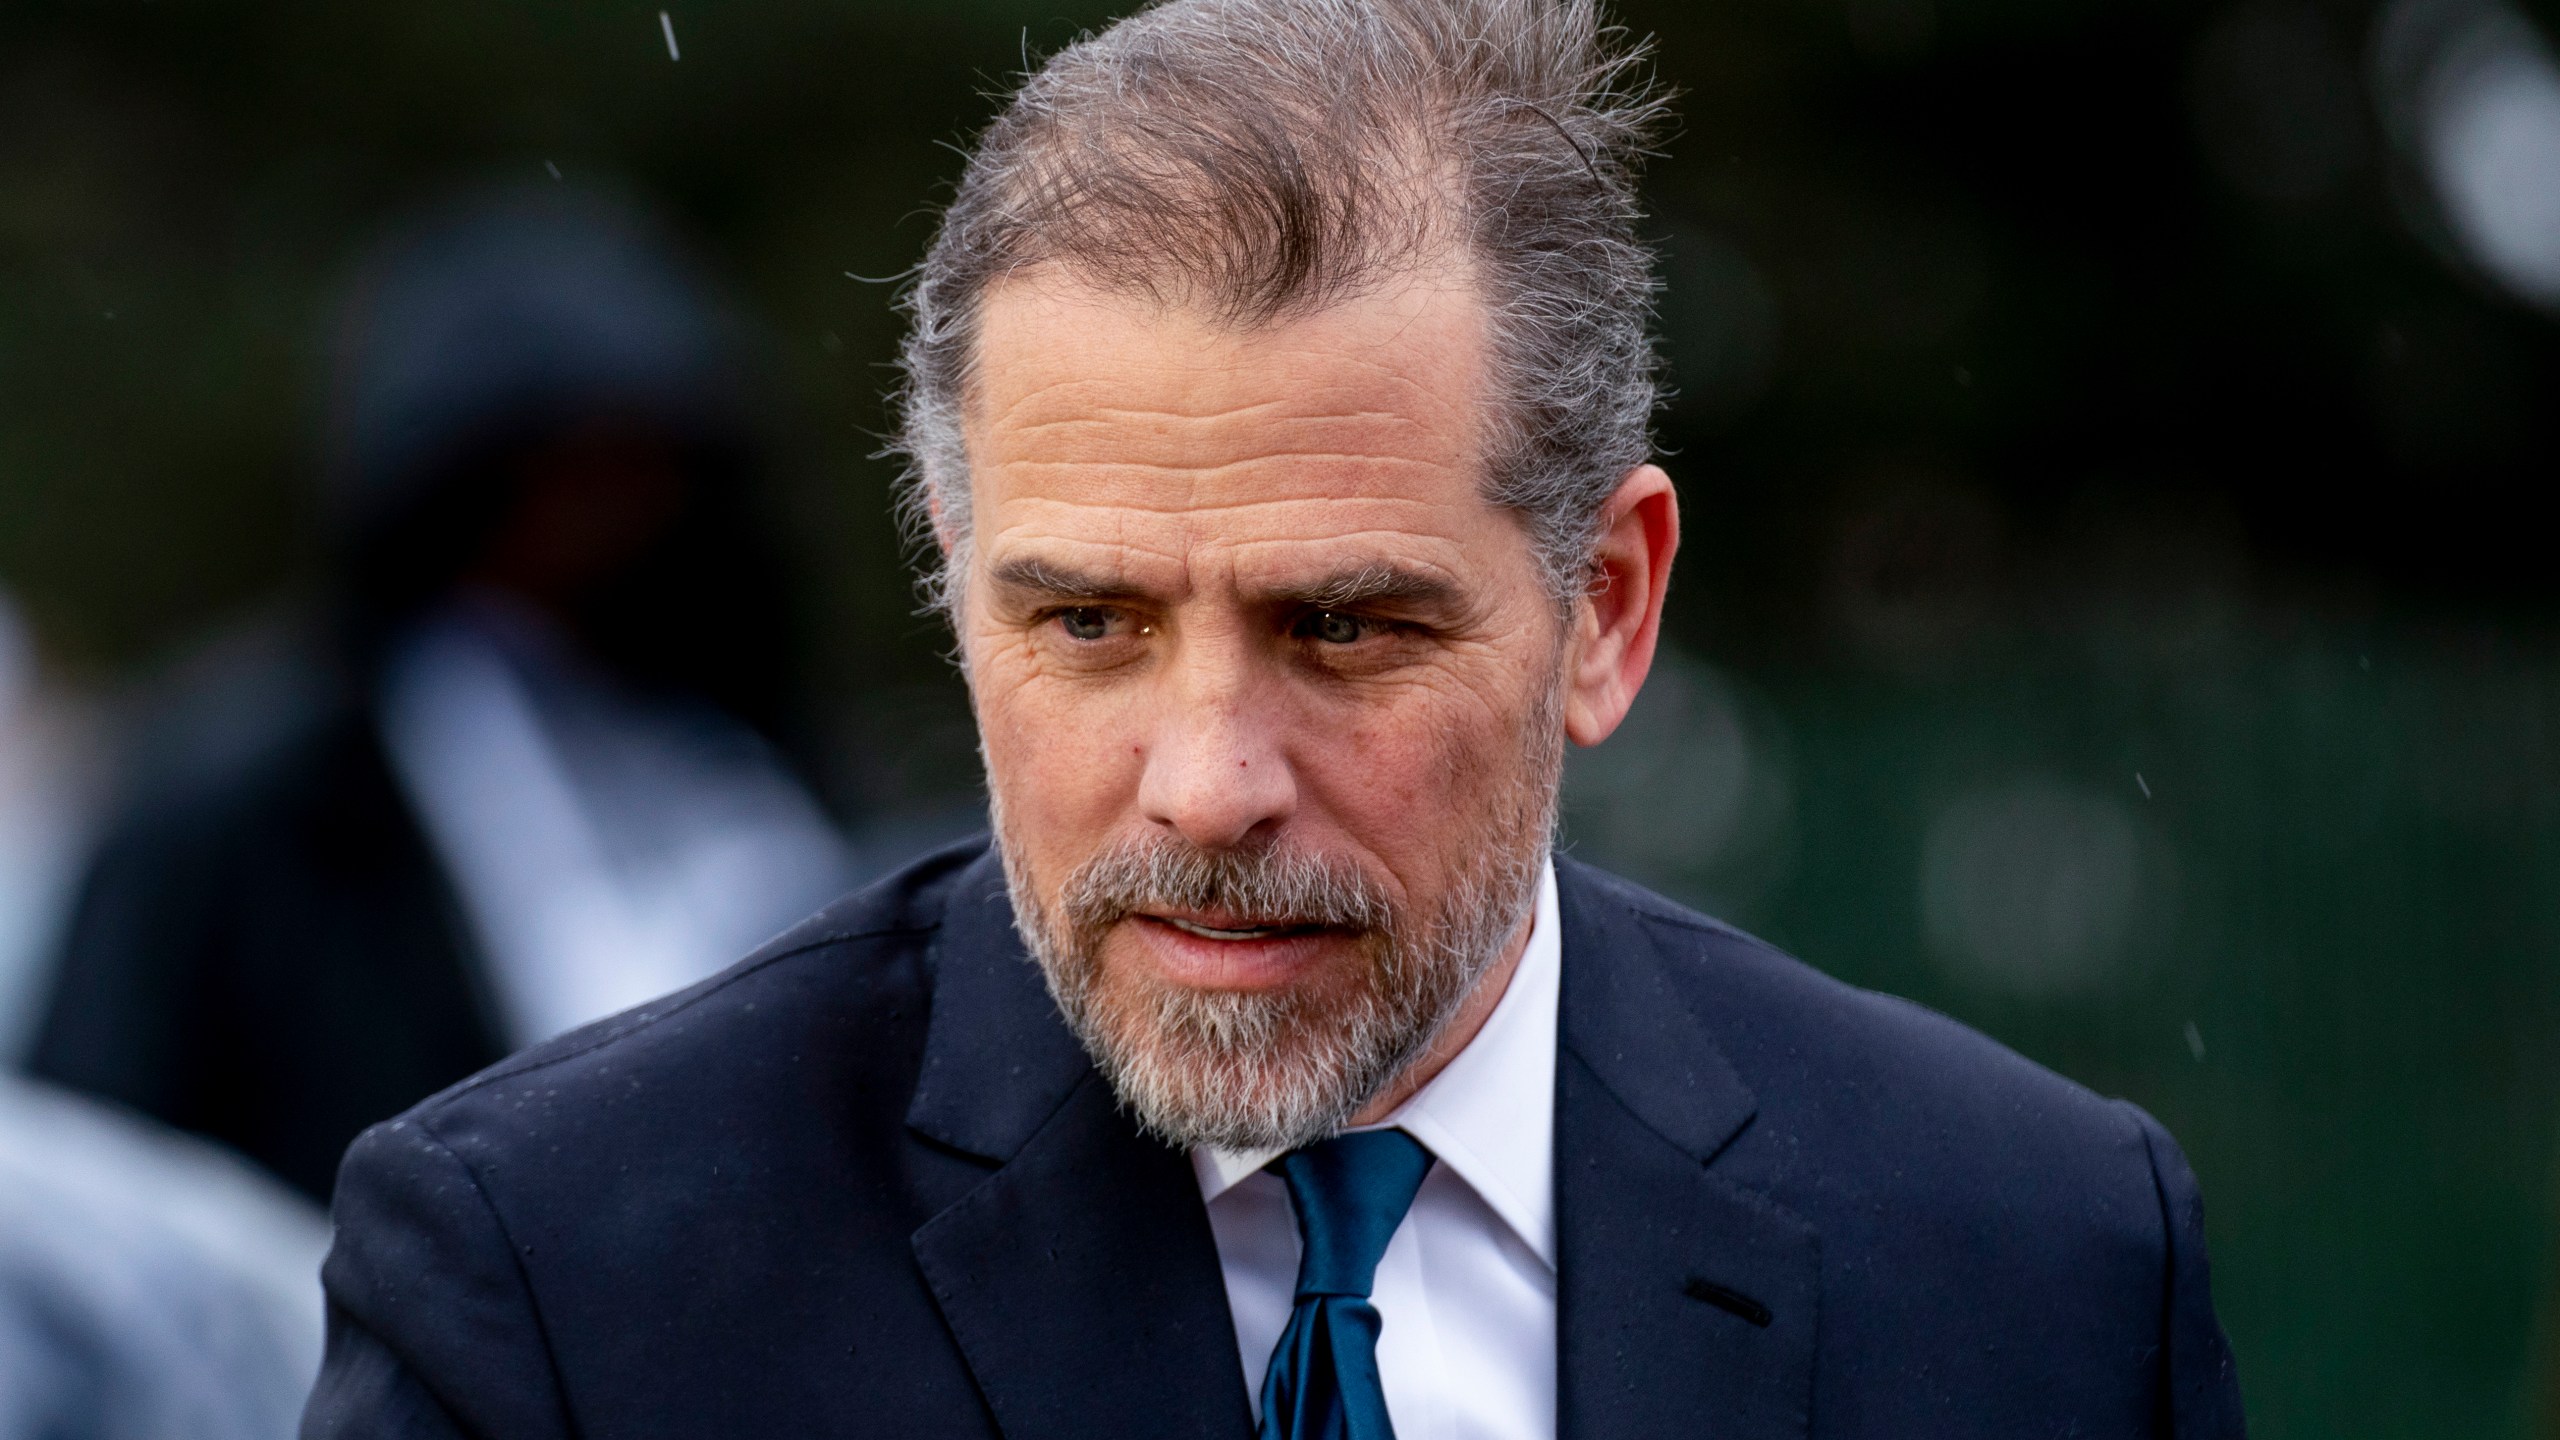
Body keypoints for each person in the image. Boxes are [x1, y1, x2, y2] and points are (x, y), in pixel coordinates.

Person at [305, 2, 2246, 1435]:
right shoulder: (565, 1287)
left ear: (1606, 605)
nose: (1207, 778)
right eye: (1085, 621)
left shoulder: (2032, 1266)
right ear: (949, 574)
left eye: (1339, 628)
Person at [30, 185, 851, 1202]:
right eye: (565, 480)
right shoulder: (253, 795)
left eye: (639, 472)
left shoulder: (731, 751)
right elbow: (94, 1171)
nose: (612, 523)